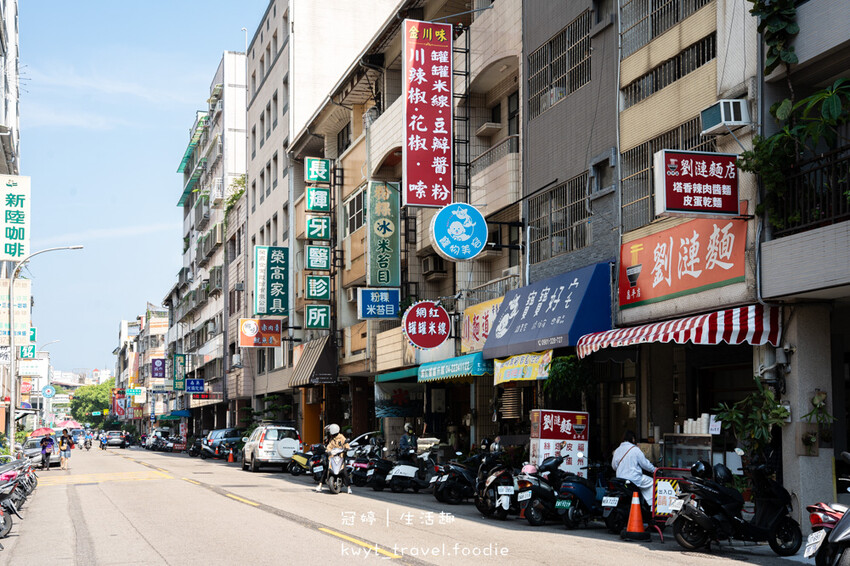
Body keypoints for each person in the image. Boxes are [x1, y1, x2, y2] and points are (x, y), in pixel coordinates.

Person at [611, 430, 656, 504]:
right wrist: (654, 469)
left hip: (620, 479)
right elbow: (645, 464)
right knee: (652, 482)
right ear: (633, 439)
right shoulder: (635, 449)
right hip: (634, 479)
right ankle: (651, 505)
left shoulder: (617, 450)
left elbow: (614, 467)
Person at [316, 424, 352, 494]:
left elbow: (346, 444)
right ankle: (320, 485)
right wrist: (328, 451)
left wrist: (346, 448)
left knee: (344, 472)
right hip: (332, 458)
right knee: (326, 469)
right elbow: (329, 446)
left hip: (341, 457)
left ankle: (349, 488)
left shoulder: (341, 437)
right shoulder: (332, 439)